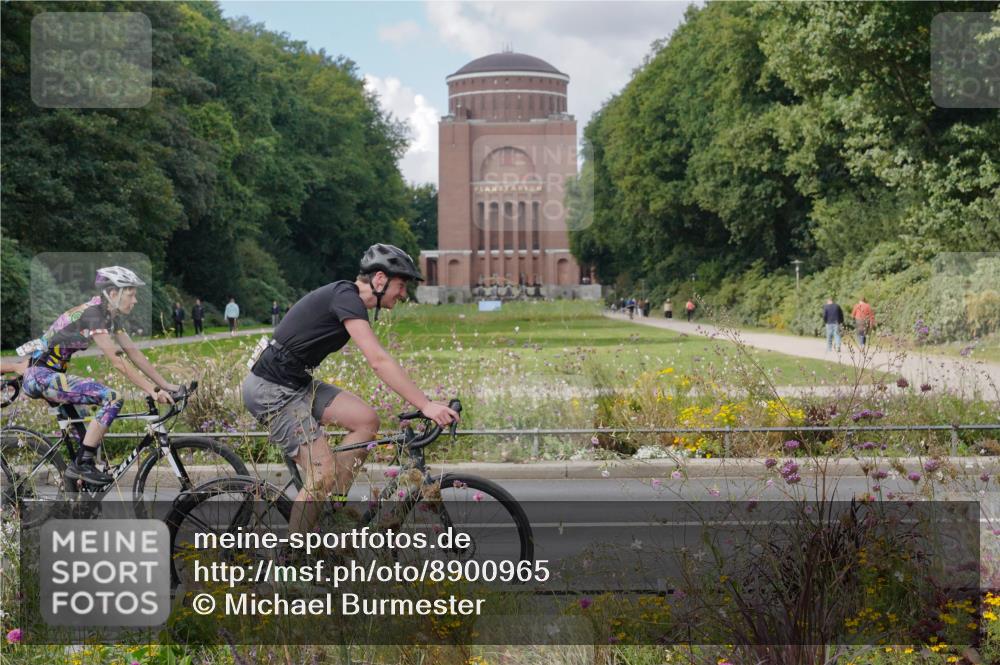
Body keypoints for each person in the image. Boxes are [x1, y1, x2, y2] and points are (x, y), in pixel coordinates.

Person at [241, 244, 459, 533]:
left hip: (296, 384)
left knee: (366, 421)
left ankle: (334, 513)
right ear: (380, 279)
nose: (404, 293)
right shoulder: (346, 297)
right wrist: (426, 405)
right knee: (321, 475)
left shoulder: (347, 299)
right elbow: (378, 360)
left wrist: (426, 402)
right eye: (401, 284)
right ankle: (289, 565)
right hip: (271, 390)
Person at [14, 267, 178, 484]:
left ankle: (79, 484)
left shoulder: (109, 316)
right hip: (40, 376)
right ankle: (82, 467)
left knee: (88, 438)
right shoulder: (94, 314)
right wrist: (152, 391)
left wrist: (167, 385)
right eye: (131, 294)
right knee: (112, 398)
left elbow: (133, 353)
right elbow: (117, 361)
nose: (135, 300)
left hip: (50, 375)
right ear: (112, 294)